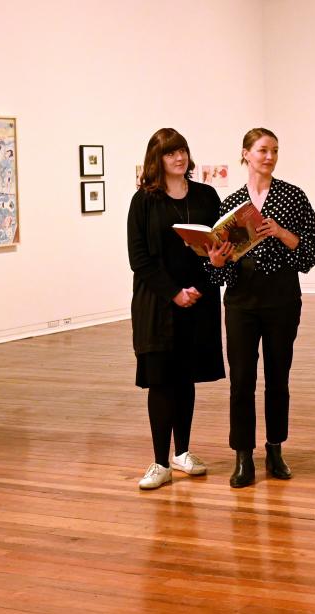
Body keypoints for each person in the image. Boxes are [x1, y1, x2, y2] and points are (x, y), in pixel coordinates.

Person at [205, 128, 315, 488]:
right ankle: (243, 456)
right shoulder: (231, 204)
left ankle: (275, 449)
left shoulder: (293, 197)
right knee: (241, 380)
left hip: (281, 297)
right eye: (262, 150)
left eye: (274, 151)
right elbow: (213, 269)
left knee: (277, 377)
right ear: (246, 154)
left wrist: (282, 233)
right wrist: (217, 259)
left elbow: (310, 254)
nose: (269, 157)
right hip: (241, 298)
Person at [127, 128, 225, 490]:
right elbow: (139, 259)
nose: (179, 158)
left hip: (198, 300)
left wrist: (199, 285)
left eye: (182, 151)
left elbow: (218, 243)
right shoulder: (144, 201)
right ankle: (158, 461)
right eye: (170, 153)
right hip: (158, 303)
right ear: (158, 160)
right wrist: (174, 293)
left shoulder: (206, 195)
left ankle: (182, 452)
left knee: (186, 377)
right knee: (161, 380)